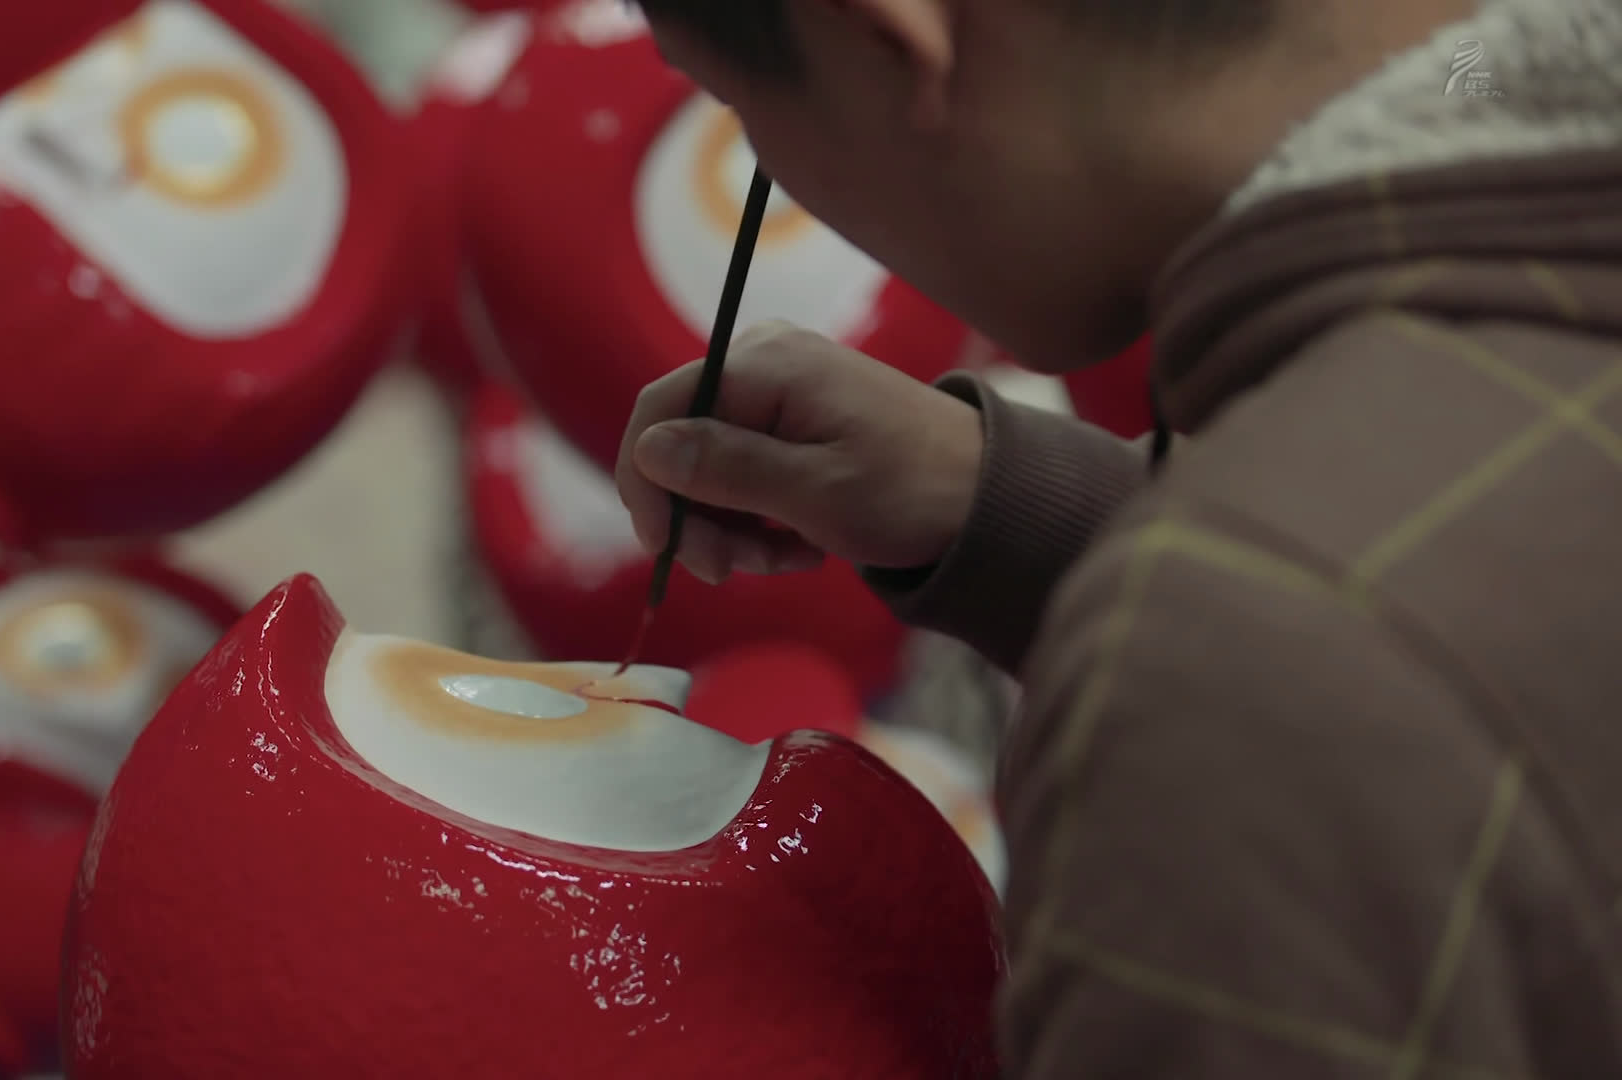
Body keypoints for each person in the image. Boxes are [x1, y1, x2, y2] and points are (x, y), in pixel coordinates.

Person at [612, 0, 1622, 1075]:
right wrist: (1023, 507)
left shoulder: (1236, 692)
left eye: (734, 105)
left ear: (886, 36)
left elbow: (1331, 675)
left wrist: (1216, 614)